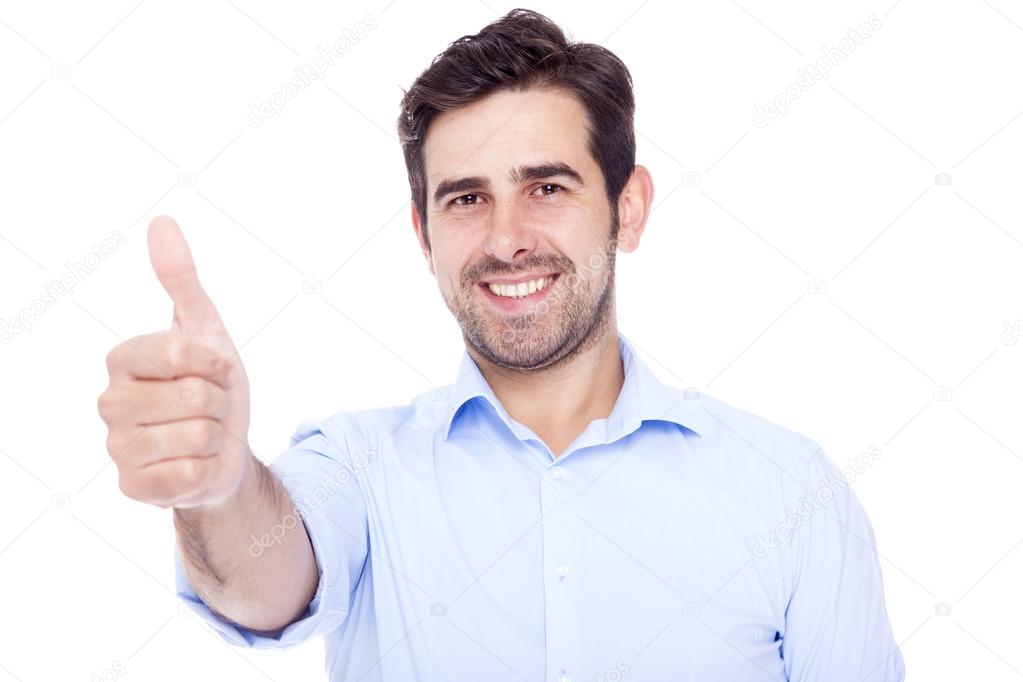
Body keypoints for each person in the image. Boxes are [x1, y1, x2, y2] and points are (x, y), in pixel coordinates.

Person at [96, 8, 904, 681]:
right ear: (424, 234)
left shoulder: (793, 495)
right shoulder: (360, 469)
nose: (508, 238)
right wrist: (217, 489)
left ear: (627, 208)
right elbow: (261, 583)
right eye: (467, 198)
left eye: (546, 187)